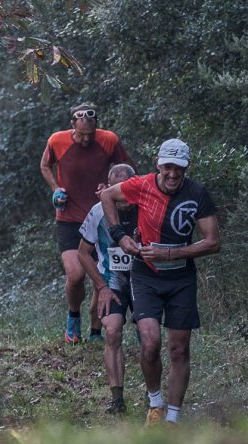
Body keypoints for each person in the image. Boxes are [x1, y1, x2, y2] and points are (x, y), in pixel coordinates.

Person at [100, 139, 220, 425]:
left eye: (178, 168)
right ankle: (155, 403)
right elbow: (106, 196)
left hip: (181, 278)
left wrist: (172, 252)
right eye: (167, 167)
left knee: (179, 349)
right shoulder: (141, 185)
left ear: (186, 167)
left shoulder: (197, 193)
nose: (172, 173)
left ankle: (173, 418)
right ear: (158, 164)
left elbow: (213, 242)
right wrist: (119, 235)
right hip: (145, 274)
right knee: (150, 343)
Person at [40, 102, 134, 344]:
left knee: (100, 274)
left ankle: (95, 331)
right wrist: (55, 189)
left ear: (96, 127)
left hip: (101, 215)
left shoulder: (109, 140)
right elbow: (45, 165)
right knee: (75, 273)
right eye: (81, 135)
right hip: (69, 218)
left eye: (90, 135)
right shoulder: (57, 141)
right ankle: (73, 318)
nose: (85, 139)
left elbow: (126, 169)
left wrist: (111, 187)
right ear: (72, 126)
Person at [78, 164, 139, 414]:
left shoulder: (147, 206)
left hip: (143, 279)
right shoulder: (97, 211)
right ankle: (117, 399)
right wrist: (101, 287)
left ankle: (152, 394)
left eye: (126, 189)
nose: (121, 195)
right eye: (116, 189)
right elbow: (83, 253)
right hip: (112, 280)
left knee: (148, 337)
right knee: (112, 332)